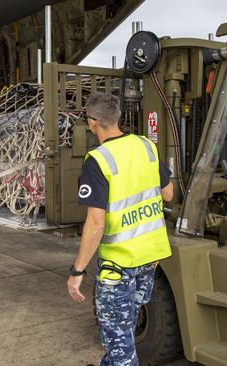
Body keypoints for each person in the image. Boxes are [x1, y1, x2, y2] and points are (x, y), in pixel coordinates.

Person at [67, 93, 173, 366]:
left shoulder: (98, 159)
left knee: (119, 342)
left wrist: (77, 271)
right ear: (117, 118)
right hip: (150, 258)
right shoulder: (145, 146)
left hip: (120, 263)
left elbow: (96, 223)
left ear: (92, 123)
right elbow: (168, 193)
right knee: (123, 327)